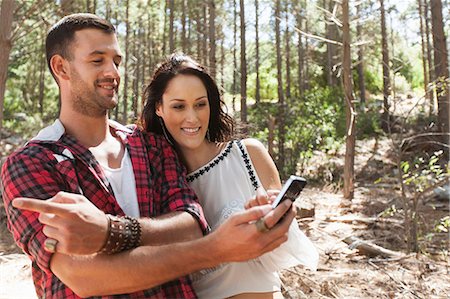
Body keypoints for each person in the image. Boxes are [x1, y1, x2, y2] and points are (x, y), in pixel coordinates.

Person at [1, 13, 295, 298]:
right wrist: (216, 248)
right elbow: (84, 277)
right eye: (97, 60)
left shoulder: (150, 146)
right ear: (61, 68)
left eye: (116, 61)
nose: (113, 73)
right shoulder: (30, 164)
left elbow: (191, 226)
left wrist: (109, 232)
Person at [139, 53, 319, 298]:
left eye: (200, 104)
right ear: (159, 108)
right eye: (179, 106)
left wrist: (272, 225)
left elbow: (281, 256)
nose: (192, 117)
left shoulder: (248, 154)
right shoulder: (154, 182)